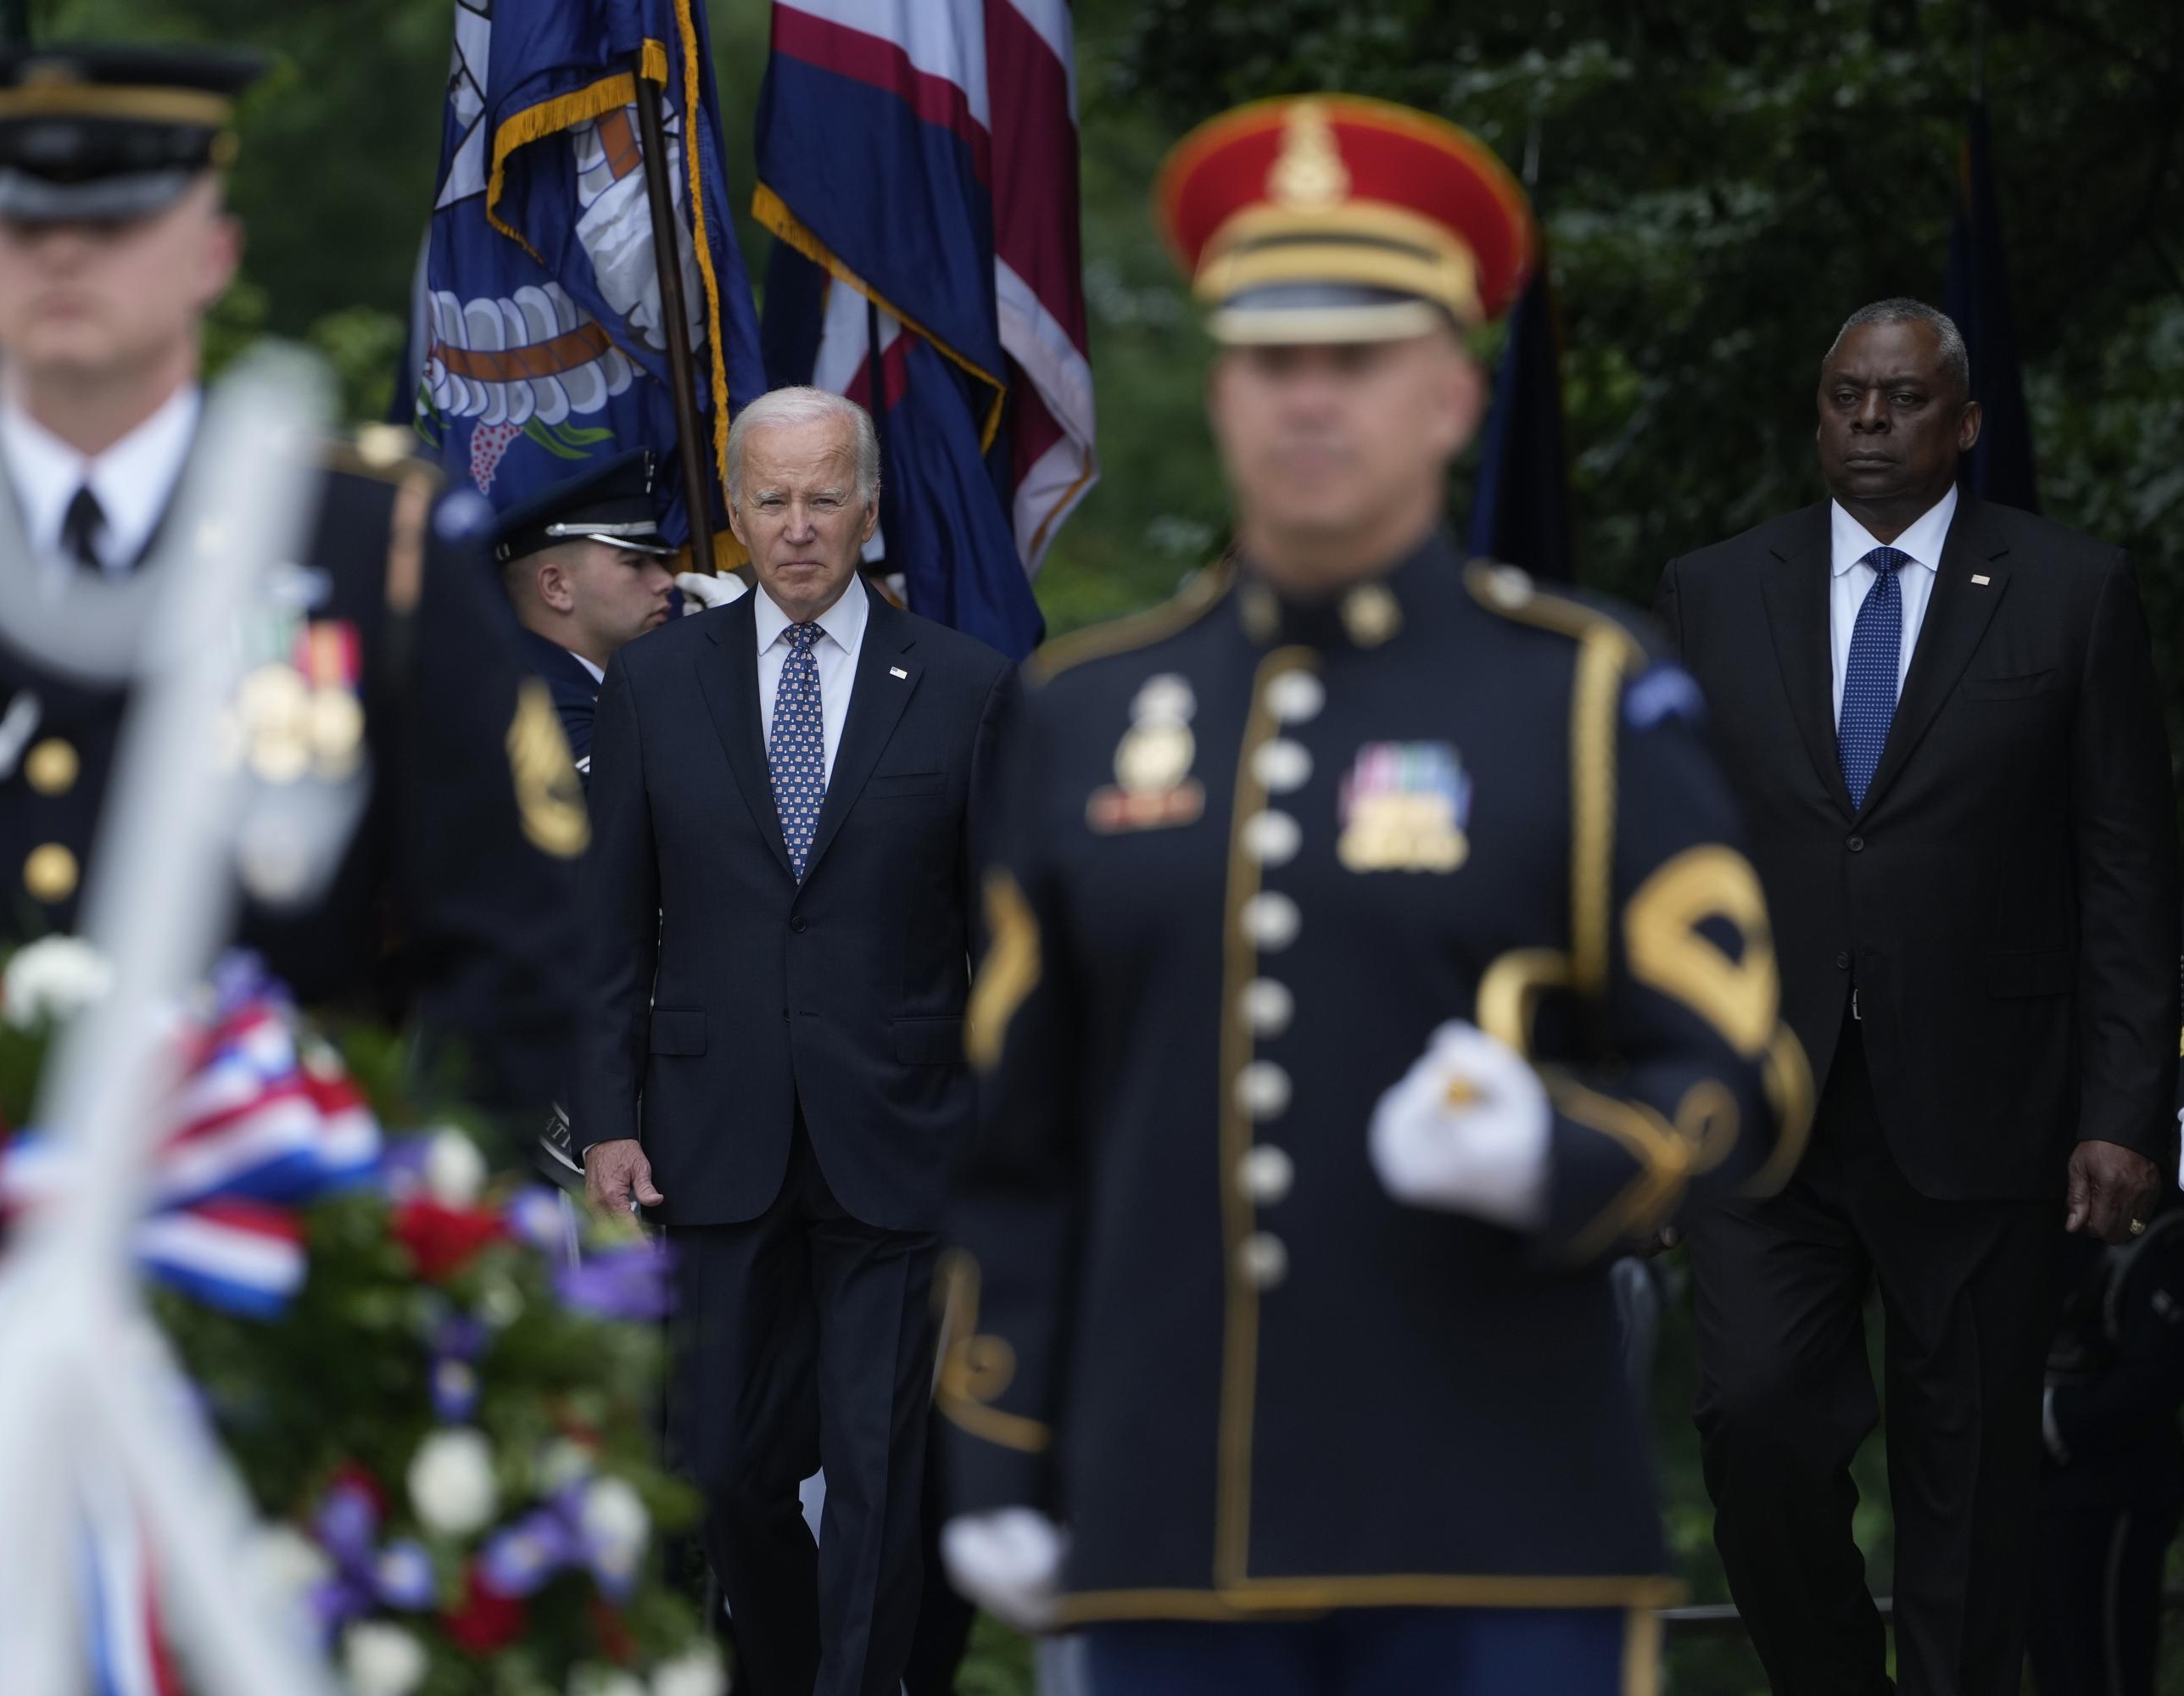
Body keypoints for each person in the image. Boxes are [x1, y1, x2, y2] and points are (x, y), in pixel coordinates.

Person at [935, 95, 1809, 1696]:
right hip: (1163, 1532)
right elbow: (1018, 1138)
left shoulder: (1590, 696)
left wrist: (1560, 1150)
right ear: (1220, 393)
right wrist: (997, 1444)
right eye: (1275, 362)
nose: (1311, 400)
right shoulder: (1079, 712)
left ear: (1451, 396)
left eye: (1360, 359)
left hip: (1494, 1533)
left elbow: (1741, 1078)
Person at [0, 44, 584, 1114]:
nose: (64, 256)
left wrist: (398, 1228)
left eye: (116, 224)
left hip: (272, 1239)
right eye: (25, 224)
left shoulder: (371, 546)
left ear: (215, 254)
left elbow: (515, 954)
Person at [1655, 298, 2180, 1694]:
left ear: (1964, 420)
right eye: (1846, 398)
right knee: (1757, 1426)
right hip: (1760, 1112)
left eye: (1901, 400)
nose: (1871, 424)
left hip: (1992, 1113)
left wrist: (2129, 1108)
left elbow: (2125, 867)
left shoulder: (2071, 590)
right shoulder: (1715, 589)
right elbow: (1662, 857)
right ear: (1817, 412)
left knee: (1973, 1477)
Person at [573, 384, 1016, 1696]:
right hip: (711, 1139)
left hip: (905, 1138)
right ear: (736, 512)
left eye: (826, 498)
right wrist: (607, 1116)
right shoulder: (654, 684)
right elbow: (607, 930)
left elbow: (1010, 943)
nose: (799, 527)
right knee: (723, 1470)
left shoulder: (966, 686)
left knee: (882, 1479)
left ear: (869, 508)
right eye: (771, 500)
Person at [2028, 1194, 2184, 1695]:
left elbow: (2156, 1377)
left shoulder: (2160, 1234)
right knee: (2059, 1666)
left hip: (2115, 1491)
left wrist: (2052, 1416)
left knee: (2103, 1672)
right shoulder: (2046, 1212)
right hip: (2042, 1488)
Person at [491, 449, 678, 773]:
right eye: (635, 563)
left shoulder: (583, 684)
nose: (665, 581)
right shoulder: (535, 704)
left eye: (659, 562)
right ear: (556, 587)